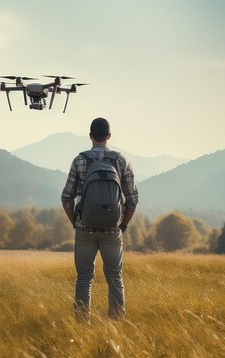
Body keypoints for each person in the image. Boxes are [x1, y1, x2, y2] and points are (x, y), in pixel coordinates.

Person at [61, 117, 138, 321]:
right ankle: (115, 326)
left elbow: (66, 197)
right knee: (115, 279)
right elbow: (133, 199)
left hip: (84, 228)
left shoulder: (79, 160)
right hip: (113, 231)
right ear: (109, 136)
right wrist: (122, 225)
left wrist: (75, 223)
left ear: (90, 136)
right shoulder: (121, 161)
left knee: (84, 279)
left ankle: (81, 327)